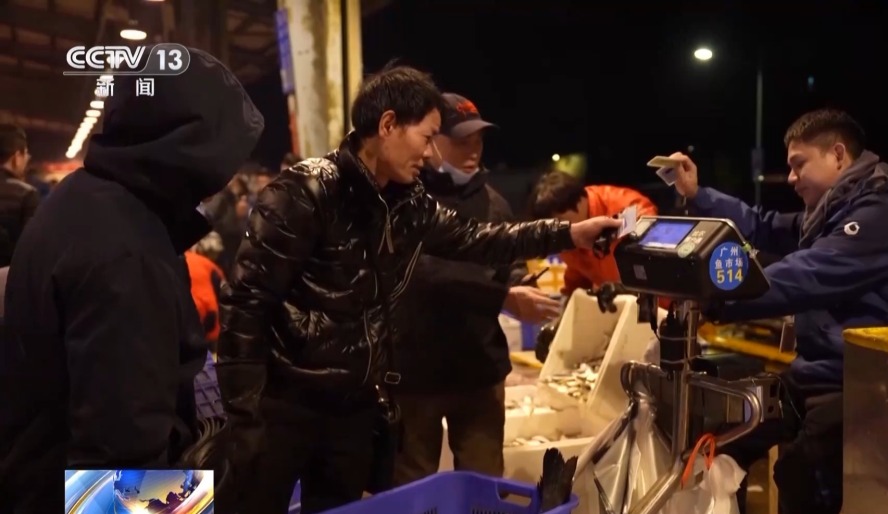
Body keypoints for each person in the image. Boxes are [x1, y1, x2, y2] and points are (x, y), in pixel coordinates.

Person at [217, 65, 619, 514]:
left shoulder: (408, 203)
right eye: (426, 137)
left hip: (351, 412)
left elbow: (481, 239)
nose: (430, 154)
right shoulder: (304, 191)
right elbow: (245, 304)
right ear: (388, 124)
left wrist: (571, 234)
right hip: (284, 407)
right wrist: (245, 417)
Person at [0, 49, 264, 512]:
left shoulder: (85, 198)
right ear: (190, 145)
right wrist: (200, 500)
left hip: (35, 476)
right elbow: (120, 469)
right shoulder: (126, 254)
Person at [669, 108, 888, 514]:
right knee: (725, 432)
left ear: (838, 155)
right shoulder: (833, 212)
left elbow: (807, 274)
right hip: (816, 374)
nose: (791, 178)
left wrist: (717, 296)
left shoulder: (883, 215)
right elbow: (763, 225)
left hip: (869, 387)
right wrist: (698, 195)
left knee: (799, 471)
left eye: (799, 164)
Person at [392, 93, 561, 486]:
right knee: (410, 485)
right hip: (414, 374)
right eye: (461, 141)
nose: (472, 151)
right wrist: (502, 297)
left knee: (485, 484)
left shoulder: (494, 203)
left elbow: (508, 263)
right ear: (431, 140)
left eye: (478, 141)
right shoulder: (404, 199)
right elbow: (422, 274)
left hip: (479, 372)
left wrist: (520, 284)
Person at [529, 171, 657, 296]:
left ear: (579, 203)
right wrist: (568, 300)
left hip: (654, 299)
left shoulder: (627, 207)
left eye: (559, 222)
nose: (556, 231)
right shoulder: (563, 235)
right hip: (615, 303)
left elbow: (653, 256)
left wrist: (624, 288)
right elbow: (577, 273)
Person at [0, 124, 40, 267]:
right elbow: (33, 249)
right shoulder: (27, 195)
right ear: (16, 158)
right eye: (26, 153)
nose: (27, 158)